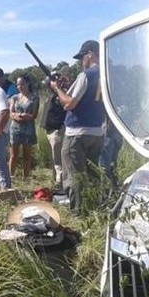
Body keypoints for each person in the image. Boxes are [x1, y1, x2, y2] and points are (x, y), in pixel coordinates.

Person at [49, 40, 105, 214]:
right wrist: (68, 87)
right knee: (93, 173)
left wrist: (57, 89)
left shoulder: (86, 75)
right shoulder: (106, 75)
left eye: (82, 57)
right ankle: (95, 208)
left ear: (90, 54)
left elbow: (69, 103)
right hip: (97, 132)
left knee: (73, 175)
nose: (81, 61)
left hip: (77, 133)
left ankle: (77, 212)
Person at [40, 71, 69, 190]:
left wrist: (59, 87)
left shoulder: (60, 95)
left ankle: (60, 184)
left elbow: (64, 103)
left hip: (57, 131)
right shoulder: (52, 95)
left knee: (58, 161)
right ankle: (56, 181)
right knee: (54, 160)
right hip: (50, 131)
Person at [8, 75, 39, 180]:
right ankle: (10, 177)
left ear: (28, 83)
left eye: (22, 84)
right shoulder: (14, 97)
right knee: (13, 155)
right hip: (15, 129)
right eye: (18, 84)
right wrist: (20, 115)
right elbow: (11, 112)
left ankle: (26, 177)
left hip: (28, 129)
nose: (20, 86)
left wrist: (21, 116)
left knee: (27, 155)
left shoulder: (34, 97)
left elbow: (34, 115)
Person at [99, 114, 123, 193]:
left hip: (109, 135)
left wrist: (105, 134)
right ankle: (115, 190)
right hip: (117, 135)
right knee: (112, 165)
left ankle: (107, 193)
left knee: (104, 167)